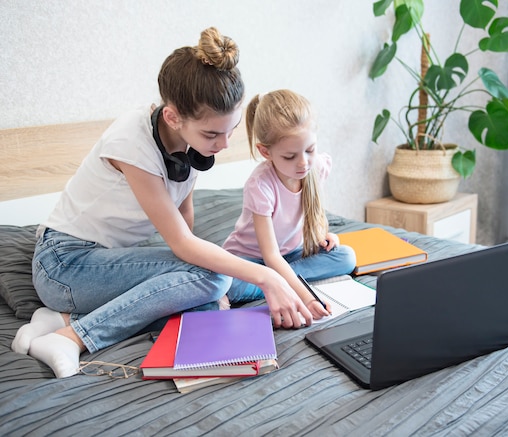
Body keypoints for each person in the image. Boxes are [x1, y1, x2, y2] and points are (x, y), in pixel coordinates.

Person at [11, 27, 312, 379]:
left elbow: (185, 221)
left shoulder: (190, 142)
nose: (223, 144)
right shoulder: (132, 143)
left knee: (208, 294)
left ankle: (61, 319)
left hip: (104, 267)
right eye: (213, 134)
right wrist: (268, 278)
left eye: (229, 131)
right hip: (63, 265)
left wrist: (191, 284)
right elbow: (181, 243)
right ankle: (73, 336)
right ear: (172, 117)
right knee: (215, 278)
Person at [222, 90, 356, 320]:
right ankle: (276, 281)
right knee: (228, 284)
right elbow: (270, 256)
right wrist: (308, 297)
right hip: (252, 259)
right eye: (290, 156)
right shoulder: (260, 186)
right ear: (266, 152)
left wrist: (323, 234)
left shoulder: (318, 167)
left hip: (290, 255)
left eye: (310, 150)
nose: (303, 162)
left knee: (346, 257)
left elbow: (311, 211)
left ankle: (279, 281)